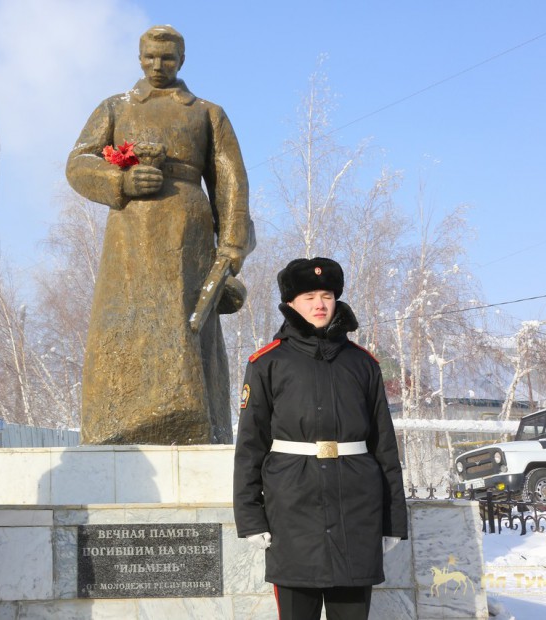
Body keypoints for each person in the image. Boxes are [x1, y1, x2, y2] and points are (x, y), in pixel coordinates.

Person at [66, 25, 252, 445]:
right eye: (150, 57)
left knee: (186, 324)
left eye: (167, 58)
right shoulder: (116, 107)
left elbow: (230, 180)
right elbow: (78, 164)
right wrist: (121, 182)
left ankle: (193, 420)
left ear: (182, 60)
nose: (157, 65)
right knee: (125, 322)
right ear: (138, 57)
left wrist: (233, 245)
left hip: (188, 231)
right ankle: (113, 423)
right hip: (129, 234)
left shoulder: (206, 112)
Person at [232, 257, 407, 620]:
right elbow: (250, 445)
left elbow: (385, 447)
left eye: (326, 294)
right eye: (309, 296)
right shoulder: (267, 363)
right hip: (293, 512)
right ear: (291, 303)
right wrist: (251, 517)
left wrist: (393, 521)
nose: (319, 304)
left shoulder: (363, 364)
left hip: (356, 512)